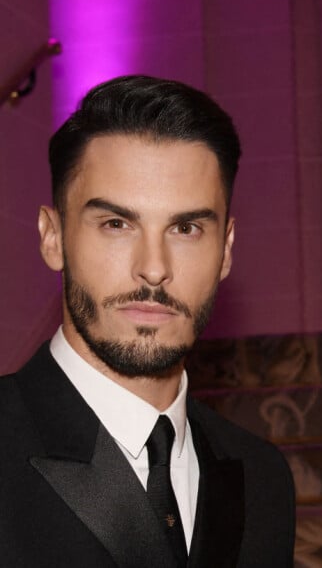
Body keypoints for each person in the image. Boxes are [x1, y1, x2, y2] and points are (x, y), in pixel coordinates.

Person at [0, 75, 295, 568]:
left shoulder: (264, 478)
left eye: (186, 228)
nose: (154, 267)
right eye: (116, 224)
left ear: (225, 250)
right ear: (53, 238)